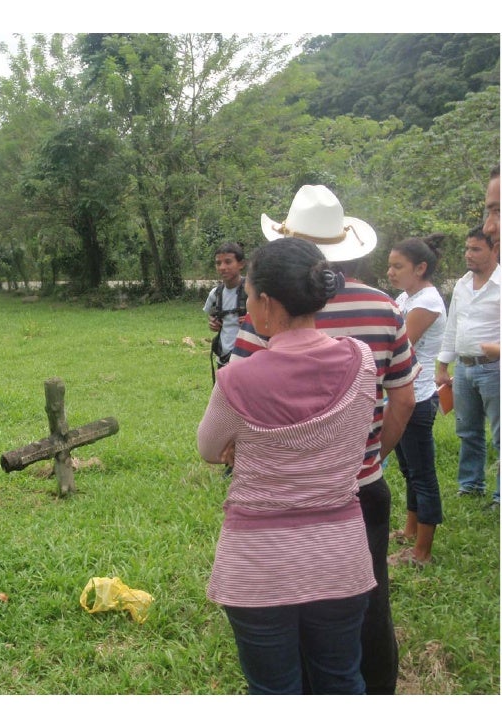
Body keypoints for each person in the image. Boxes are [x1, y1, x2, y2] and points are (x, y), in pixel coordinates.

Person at [230, 184, 417, 694]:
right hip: (361, 488)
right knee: (366, 601)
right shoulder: (385, 308)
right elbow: (403, 399)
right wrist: (369, 457)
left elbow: (235, 407)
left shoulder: (265, 316)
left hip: (282, 495)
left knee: (290, 603)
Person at [198, 237, 377, 694]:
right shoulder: (361, 361)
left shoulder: (235, 378)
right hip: (339, 557)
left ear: (266, 302)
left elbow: (209, 448)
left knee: (274, 692)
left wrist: (245, 443)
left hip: (258, 565)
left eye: (249, 296)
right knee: (341, 680)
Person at [385, 235, 448, 566]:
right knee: (409, 470)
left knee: (422, 474)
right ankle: (410, 532)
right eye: (390, 265)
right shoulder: (407, 297)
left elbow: (400, 346)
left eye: (398, 266)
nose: (391, 272)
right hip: (403, 395)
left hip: (418, 398)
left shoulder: (427, 303)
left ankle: (422, 552)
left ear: (420, 268)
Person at [435, 222, 500, 507]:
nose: (468, 254)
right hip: (463, 368)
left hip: (495, 367)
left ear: (495, 250)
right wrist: (443, 365)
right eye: (466, 248)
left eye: (475, 249)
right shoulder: (462, 284)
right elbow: (453, 325)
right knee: (468, 431)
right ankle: (471, 485)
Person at [203, 241, 247, 374]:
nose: (222, 267)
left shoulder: (253, 291)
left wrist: (253, 322)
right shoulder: (215, 294)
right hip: (223, 359)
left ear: (241, 264)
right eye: (218, 263)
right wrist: (213, 323)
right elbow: (212, 317)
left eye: (228, 262)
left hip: (248, 359)